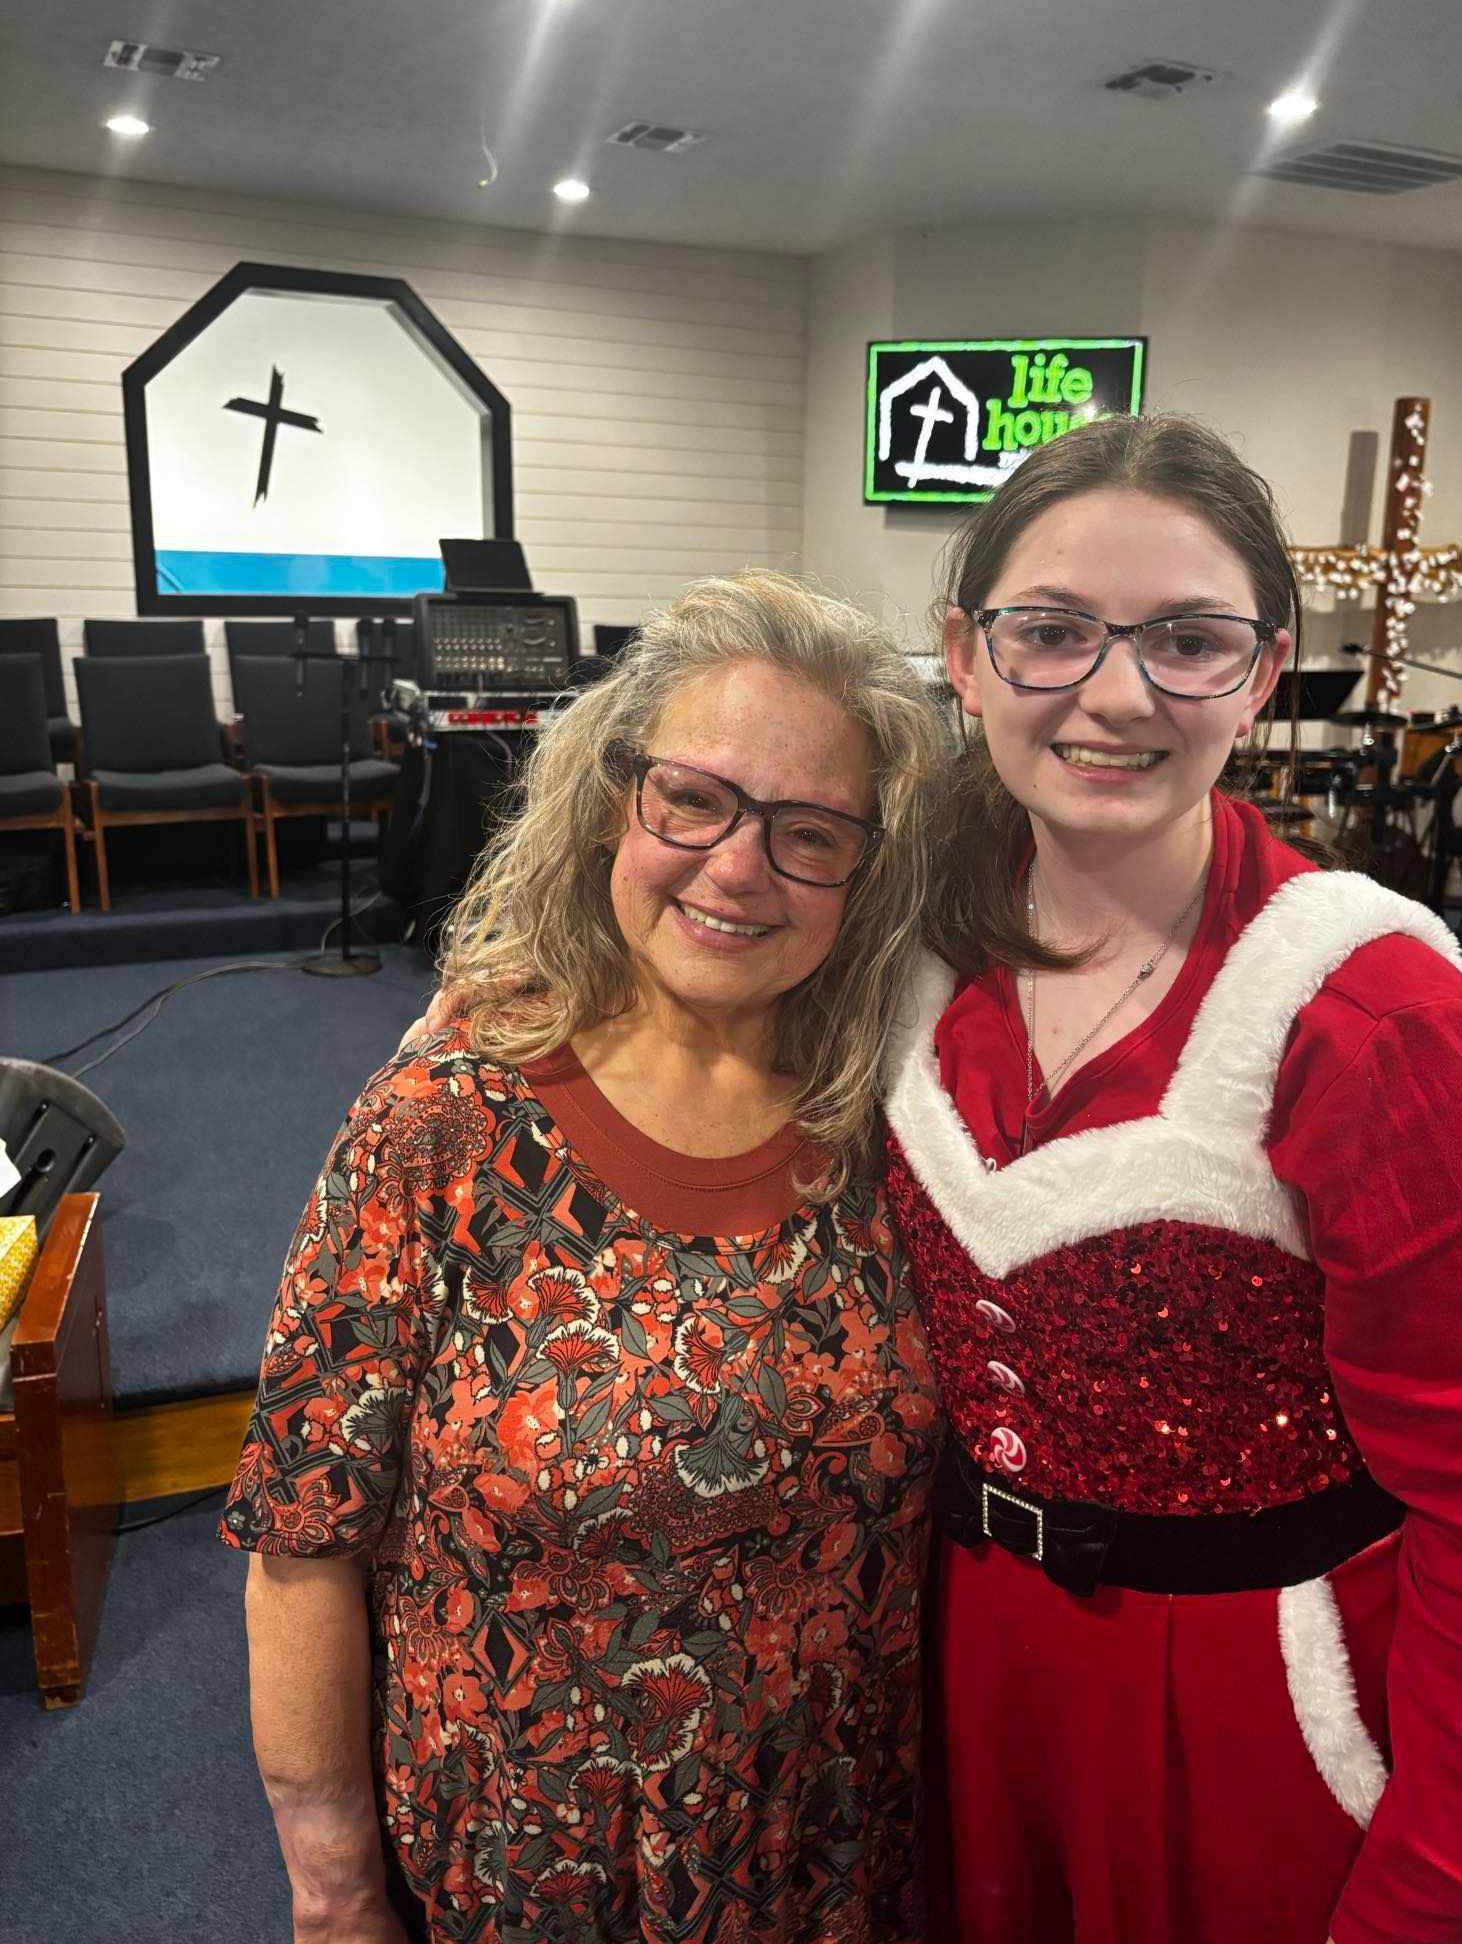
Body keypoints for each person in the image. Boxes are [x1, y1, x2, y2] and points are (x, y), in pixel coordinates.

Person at [882, 412, 1462, 1944]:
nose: (1116, 694)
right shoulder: (911, 950)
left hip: (1249, 1708)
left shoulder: (1367, 1016)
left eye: (1188, 639)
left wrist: (1432, 1894)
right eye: (1049, 632)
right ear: (965, 657)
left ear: (1261, 668)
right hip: (968, 1666)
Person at [221, 570, 948, 1944]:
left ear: (865, 867)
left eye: (810, 833)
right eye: (695, 797)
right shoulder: (443, 1117)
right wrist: (331, 1899)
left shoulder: (882, 1116)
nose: (740, 866)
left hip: (831, 1852)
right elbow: (300, 1536)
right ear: (614, 793)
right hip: (536, 1875)